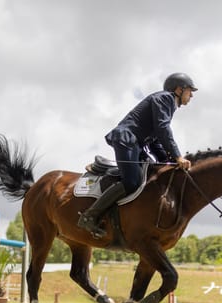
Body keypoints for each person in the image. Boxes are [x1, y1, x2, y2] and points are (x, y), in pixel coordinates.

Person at [78, 72, 198, 237]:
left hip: (137, 144)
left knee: (151, 174)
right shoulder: (166, 99)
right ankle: (90, 216)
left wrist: (167, 161)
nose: (191, 95)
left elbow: (155, 140)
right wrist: (177, 156)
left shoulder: (169, 104)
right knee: (132, 182)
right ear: (179, 89)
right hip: (127, 139)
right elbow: (163, 130)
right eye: (189, 91)